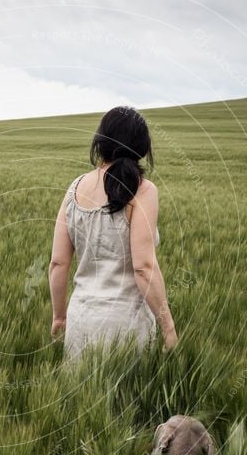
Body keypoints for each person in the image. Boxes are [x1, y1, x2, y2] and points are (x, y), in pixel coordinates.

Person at [48, 106, 178, 360]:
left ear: (101, 141)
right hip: (126, 324)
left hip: (81, 319)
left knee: (81, 398)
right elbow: (143, 267)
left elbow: (58, 263)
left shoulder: (75, 189)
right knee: (127, 399)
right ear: (141, 145)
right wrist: (169, 330)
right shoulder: (143, 190)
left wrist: (60, 316)